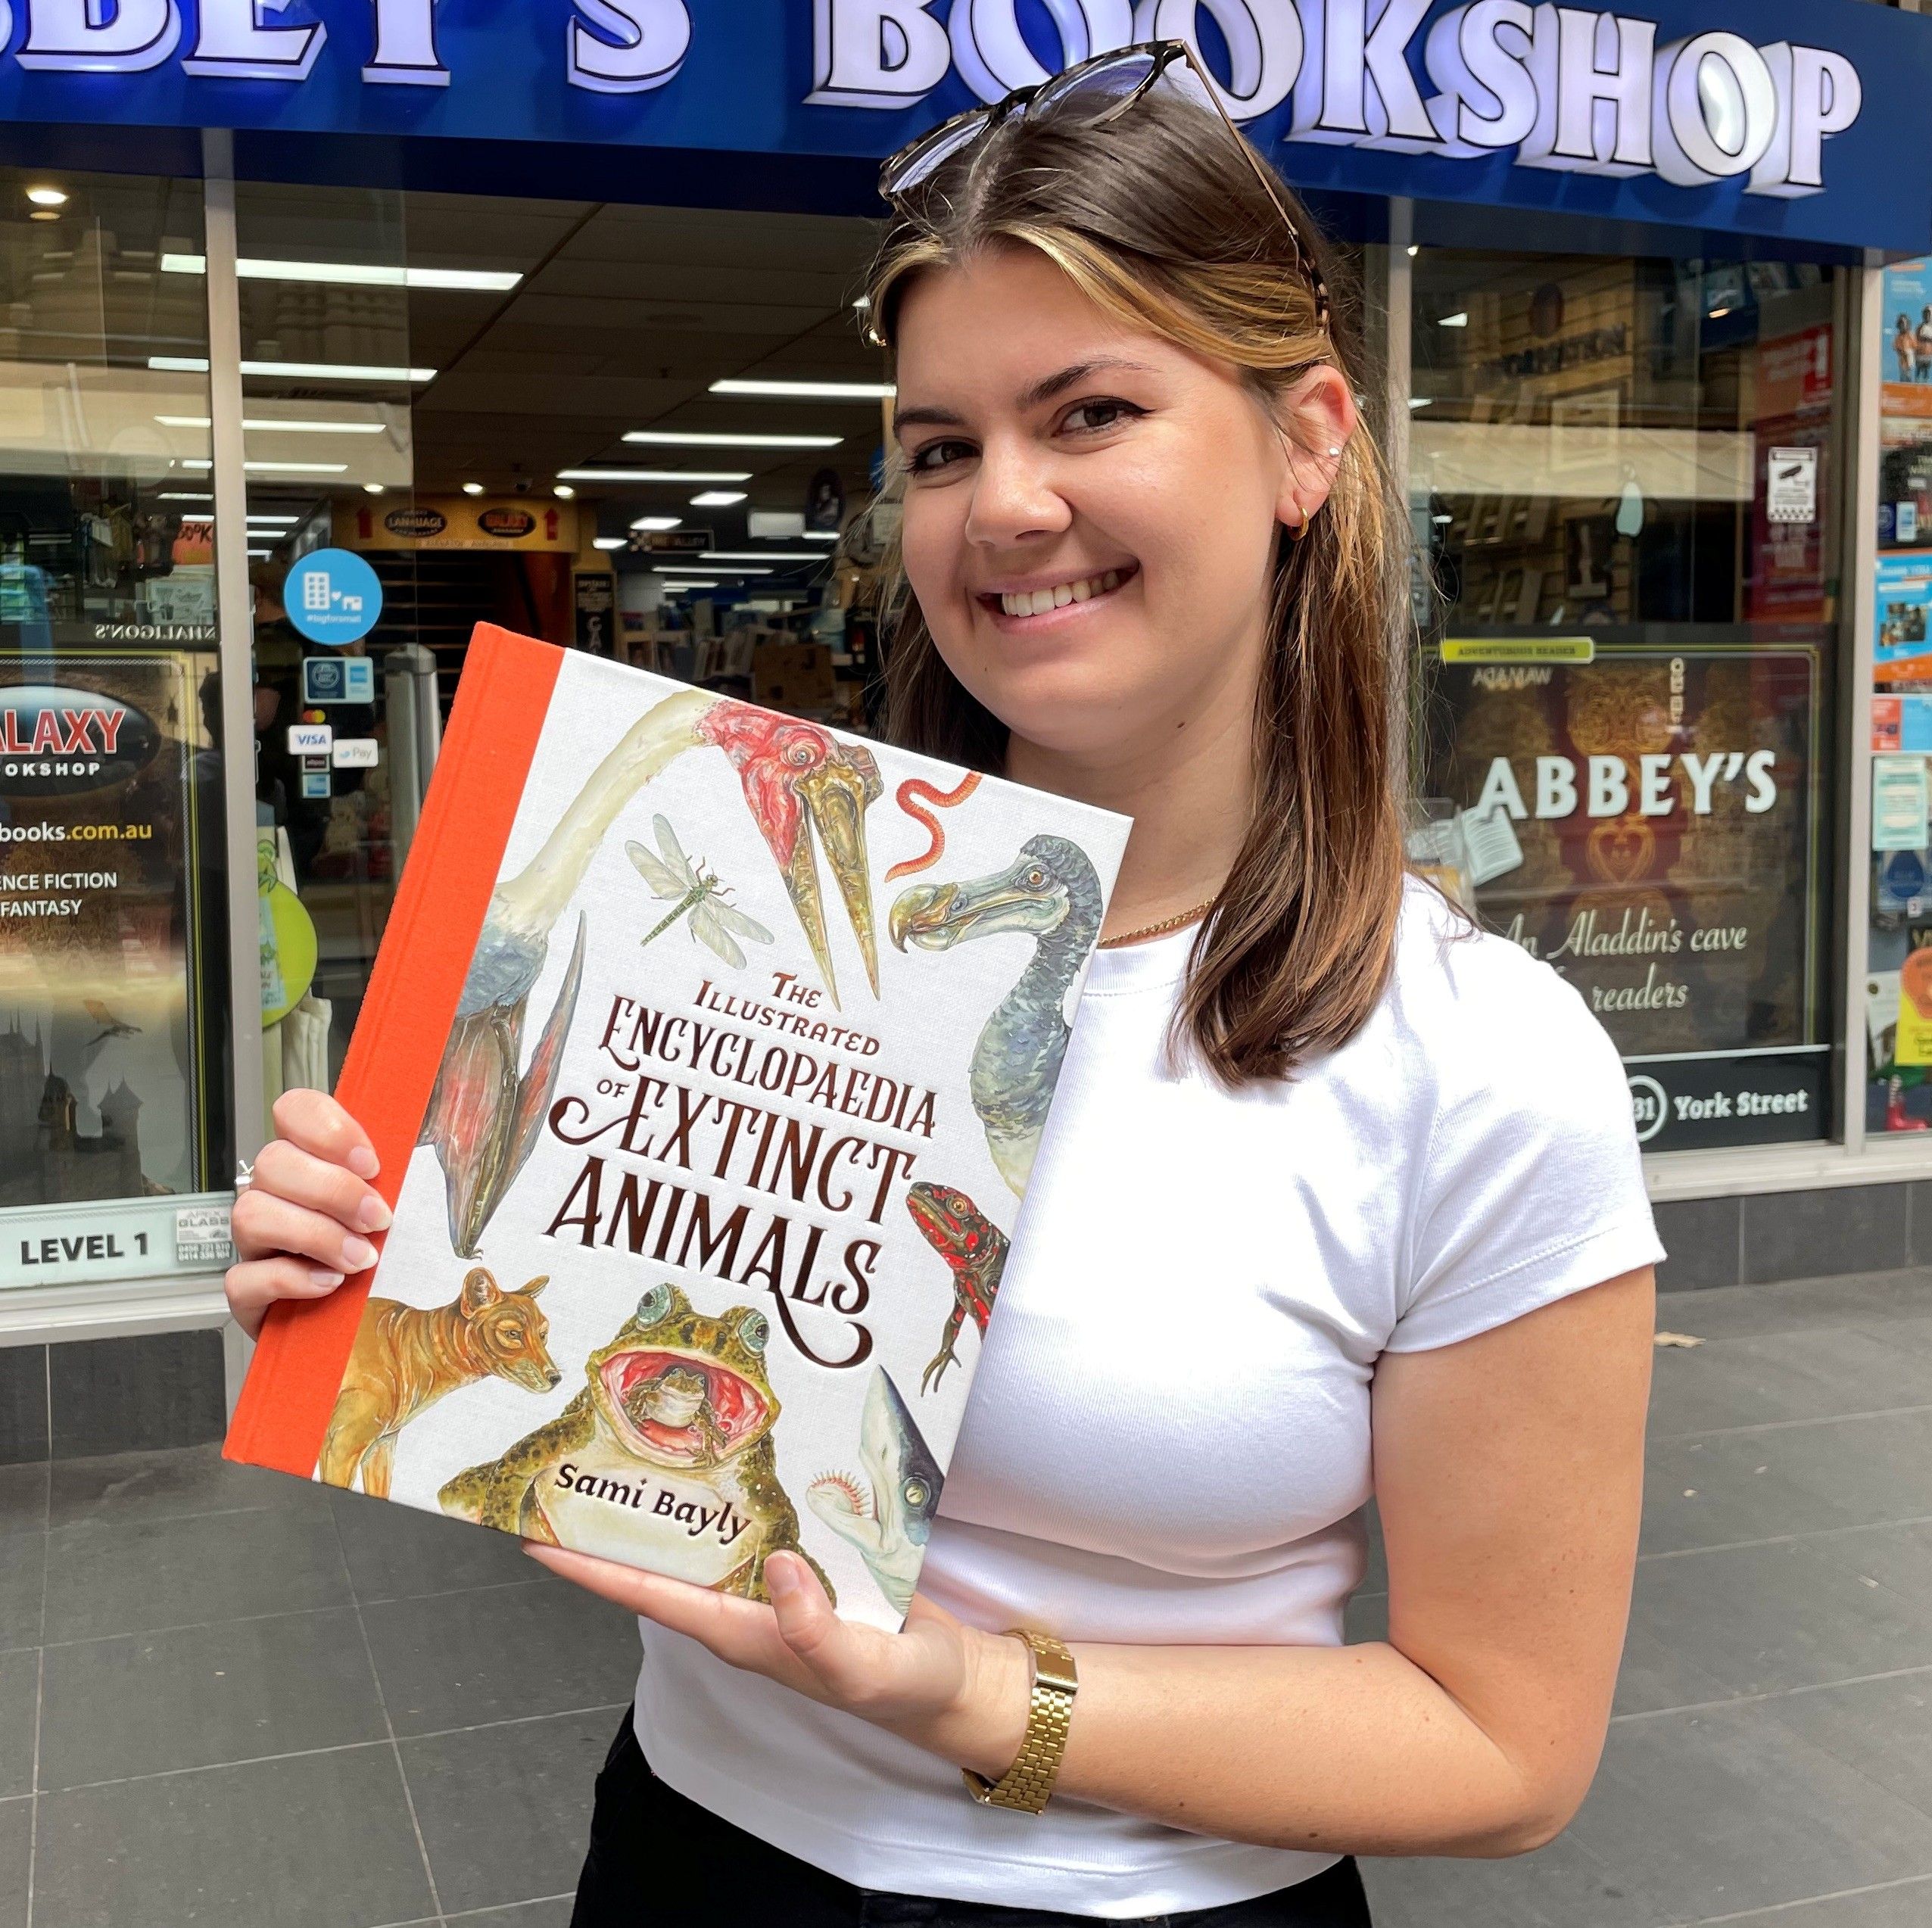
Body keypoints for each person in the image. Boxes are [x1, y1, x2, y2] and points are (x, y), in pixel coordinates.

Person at [225, 42, 1661, 1928]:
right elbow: (552, 1369)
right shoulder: (738, 921)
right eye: (940, 445)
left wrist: (976, 1694)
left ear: (1308, 439)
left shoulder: (1473, 1055)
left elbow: (1500, 1744)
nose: (1004, 504)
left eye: (1087, 414)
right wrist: (367, 1282)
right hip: (691, 1852)